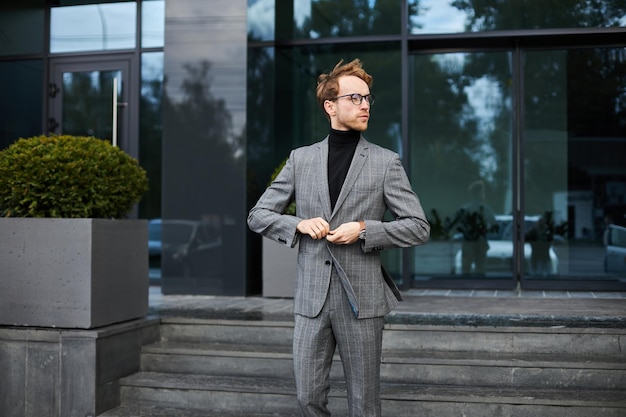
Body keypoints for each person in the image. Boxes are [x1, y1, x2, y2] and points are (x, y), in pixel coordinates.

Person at [247, 58, 430, 417]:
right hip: (312, 301)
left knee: (364, 402)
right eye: (355, 98)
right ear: (331, 106)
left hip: (361, 302)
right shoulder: (300, 159)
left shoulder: (385, 162)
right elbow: (258, 215)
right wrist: (297, 224)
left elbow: (418, 226)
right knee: (308, 396)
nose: (364, 105)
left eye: (367, 99)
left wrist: (365, 229)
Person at [449, 180, 496, 275]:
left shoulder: (464, 209)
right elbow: (494, 225)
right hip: (480, 242)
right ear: (479, 193)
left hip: (468, 243)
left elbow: (454, 226)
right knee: (481, 271)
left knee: (466, 271)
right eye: (483, 192)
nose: (484, 194)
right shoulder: (486, 210)